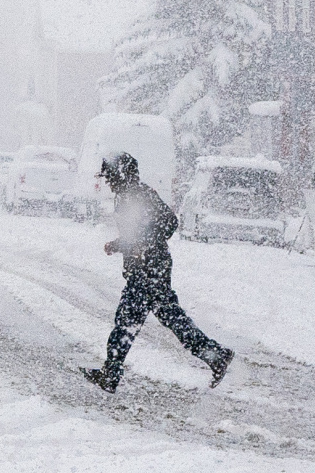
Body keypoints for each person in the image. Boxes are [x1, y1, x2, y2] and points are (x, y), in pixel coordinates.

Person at [82, 152, 234, 393]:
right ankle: (216, 355)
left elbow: (169, 222)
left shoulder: (138, 194)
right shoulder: (127, 195)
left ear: (121, 174)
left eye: (110, 176)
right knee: (169, 316)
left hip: (149, 268)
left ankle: (111, 373)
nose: (108, 182)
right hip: (148, 266)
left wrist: (145, 245)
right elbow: (138, 232)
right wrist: (120, 244)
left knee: (127, 320)